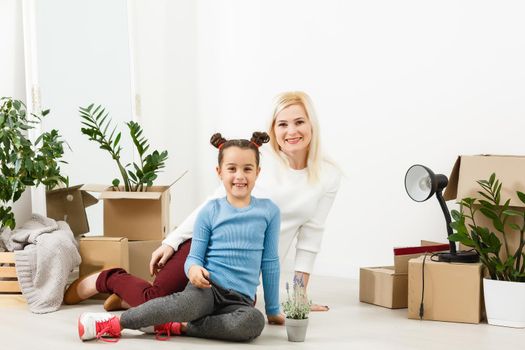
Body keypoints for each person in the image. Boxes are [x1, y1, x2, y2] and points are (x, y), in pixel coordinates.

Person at [65, 91, 341, 312]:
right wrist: (172, 241)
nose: (291, 131)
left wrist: (298, 297)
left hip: (241, 269)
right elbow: (214, 201)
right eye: (283, 124)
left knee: (232, 312)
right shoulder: (260, 162)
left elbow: (310, 239)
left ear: (311, 124)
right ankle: (107, 279)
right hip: (203, 247)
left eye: (299, 122)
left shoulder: (327, 176)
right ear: (273, 128)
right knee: (156, 298)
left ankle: (127, 300)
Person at [77, 131, 283, 342]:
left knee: (252, 322)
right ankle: (115, 323)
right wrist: (193, 269)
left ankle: (182, 327)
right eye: (232, 169)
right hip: (208, 289)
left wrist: (273, 309)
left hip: (240, 300)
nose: (240, 176)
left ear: (257, 172)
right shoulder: (209, 211)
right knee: (181, 304)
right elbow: (194, 256)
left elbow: (270, 262)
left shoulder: (269, 212)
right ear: (219, 172)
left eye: (247, 169)